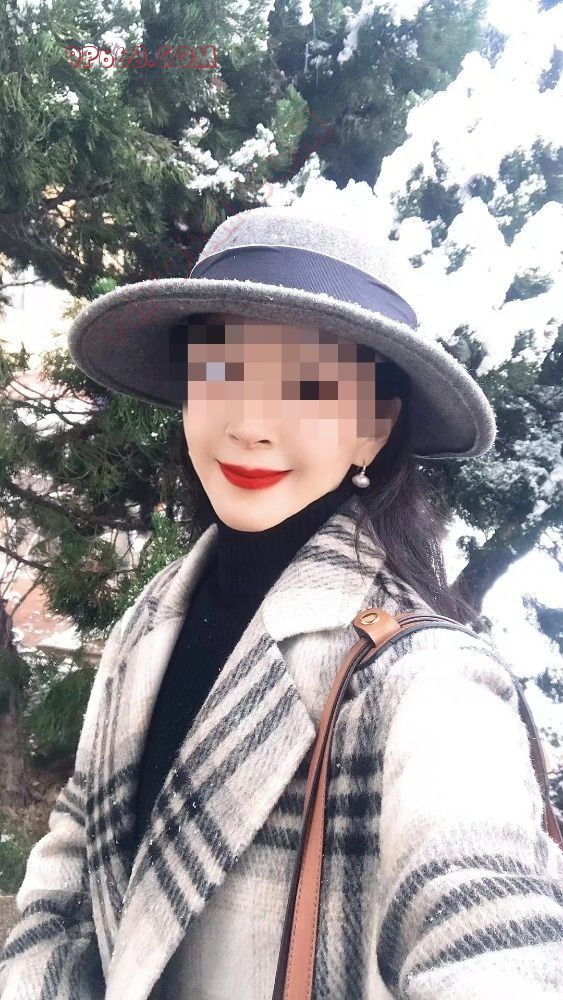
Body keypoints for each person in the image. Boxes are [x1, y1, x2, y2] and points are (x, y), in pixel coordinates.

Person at [1, 206, 562, 1000]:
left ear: (374, 429)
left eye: (308, 388)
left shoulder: (423, 675)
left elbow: (488, 925)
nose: (251, 426)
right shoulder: (153, 616)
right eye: (222, 374)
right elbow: (73, 852)